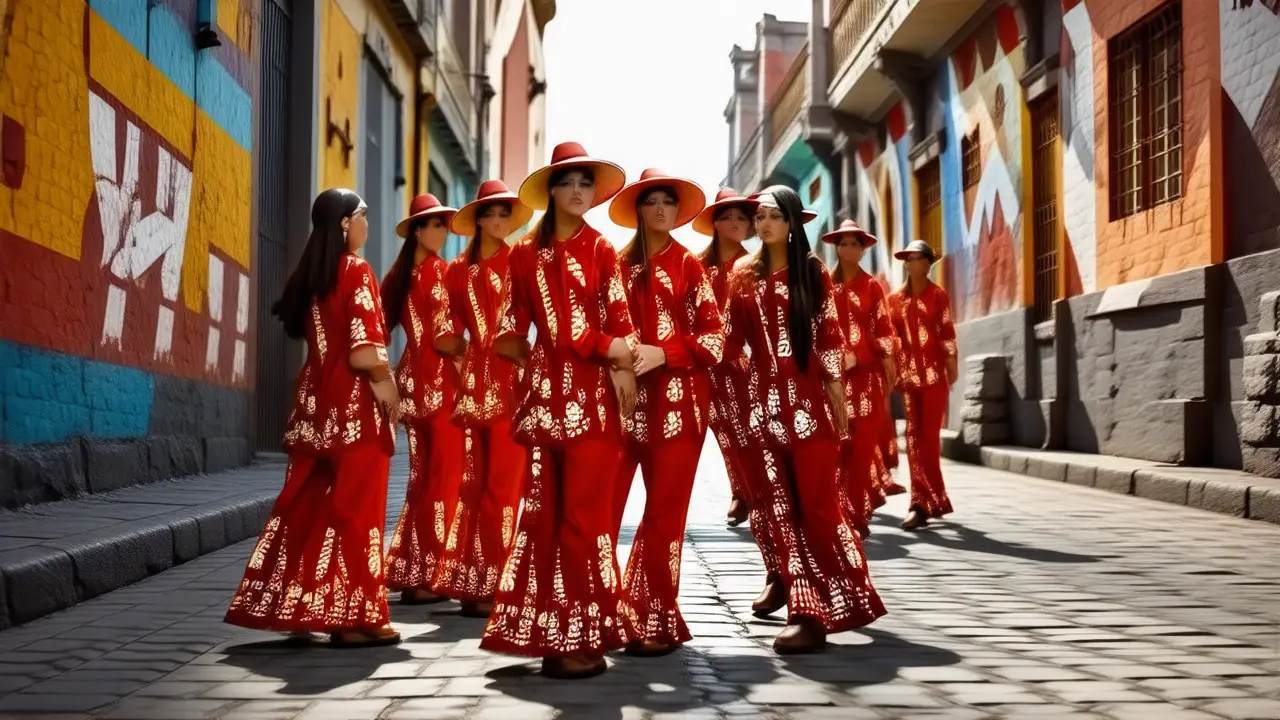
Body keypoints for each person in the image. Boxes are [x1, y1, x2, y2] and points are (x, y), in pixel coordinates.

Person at [480, 142, 639, 679]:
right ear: (551, 189)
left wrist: (604, 359)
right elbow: (506, 335)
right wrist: (551, 357)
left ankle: (575, 635)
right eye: (569, 182)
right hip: (550, 409)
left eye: (586, 184)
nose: (578, 192)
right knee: (548, 517)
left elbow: (623, 330)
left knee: (582, 518)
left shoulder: (602, 251)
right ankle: (564, 637)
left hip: (591, 409)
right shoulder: (524, 253)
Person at [225, 188, 400, 648]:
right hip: (354, 406)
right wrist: (388, 388)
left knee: (304, 504)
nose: (366, 224)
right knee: (358, 512)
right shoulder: (357, 271)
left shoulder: (311, 278)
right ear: (345, 223)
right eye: (363, 215)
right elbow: (365, 351)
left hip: (313, 405)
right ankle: (357, 617)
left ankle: (292, 602)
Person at [725, 185, 885, 653]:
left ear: (793, 222)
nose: (765, 223)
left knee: (816, 507)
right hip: (762, 409)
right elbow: (732, 341)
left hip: (810, 408)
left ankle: (842, 594)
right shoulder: (743, 275)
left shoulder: (813, 273)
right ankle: (806, 611)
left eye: (775, 215)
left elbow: (830, 335)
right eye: (760, 217)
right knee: (779, 510)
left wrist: (836, 392)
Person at [607, 169, 721, 656]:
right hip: (619, 404)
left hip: (680, 405)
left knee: (664, 515)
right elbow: (596, 324)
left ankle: (654, 614)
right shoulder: (614, 265)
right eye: (650, 201)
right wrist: (621, 361)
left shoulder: (691, 268)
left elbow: (715, 339)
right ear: (638, 210)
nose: (659, 209)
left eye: (667, 203)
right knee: (600, 512)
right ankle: (599, 611)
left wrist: (664, 353)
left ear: (677, 212)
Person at [431, 180, 533, 618]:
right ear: (476, 220)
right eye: (489, 214)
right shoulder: (469, 269)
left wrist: (468, 353)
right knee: (485, 486)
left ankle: (479, 581)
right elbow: (444, 333)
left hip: (493, 383)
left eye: (503, 213)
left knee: (495, 485)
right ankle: (490, 582)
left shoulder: (510, 263)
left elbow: (447, 335)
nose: (497, 221)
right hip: (499, 383)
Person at [381, 194, 466, 604]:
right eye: (434, 224)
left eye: (444, 224)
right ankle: (431, 575)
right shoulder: (439, 273)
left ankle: (412, 571)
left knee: (422, 480)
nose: (442, 231)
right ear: (417, 229)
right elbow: (447, 340)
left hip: (413, 387)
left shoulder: (397, 277)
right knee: (444, 480)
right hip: (444, 388)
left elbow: (376, 333)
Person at [823, 220, 898, 538]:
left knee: (863, 449)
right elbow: (818, 327)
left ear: (864, 249)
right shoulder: (824, 284)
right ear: (836, 247)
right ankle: (839, 513)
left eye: (856, 243)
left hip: (866, 382)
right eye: (844, 243)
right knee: (836, 450)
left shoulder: (872, 288)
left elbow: (883, 331)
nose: (850, 249)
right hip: (831, 381)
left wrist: (864, 356)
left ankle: (854, 515)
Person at [694, 189, 756, 528]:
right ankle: (741, 490)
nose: (735, 223)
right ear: (715, 222)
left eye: (741, 217)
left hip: (740, 364)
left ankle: (752, 492)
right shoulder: (696, 266)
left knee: (746, 430)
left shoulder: (754, 268)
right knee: (723, 432)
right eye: (728, 216)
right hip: (701, 366)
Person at [888, 239, 958, 530]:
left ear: (928, 263)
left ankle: (925, 501)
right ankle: (925, 501)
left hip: (933, 381)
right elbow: (892, 339)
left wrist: (951, 369)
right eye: (908, 258)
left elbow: (946, 334)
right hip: (908, 380)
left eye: (917, 258)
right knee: (914, 441)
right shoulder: (894, 300)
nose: (911, 263)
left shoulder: (938, 296)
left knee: (928, 440)